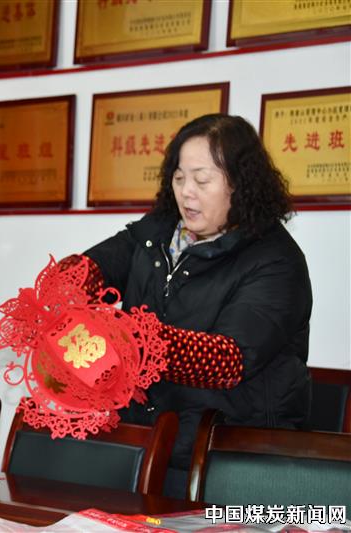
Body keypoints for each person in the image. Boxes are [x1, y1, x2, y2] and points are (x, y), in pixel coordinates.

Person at [65, 114, 312, 497]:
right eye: (179, 178)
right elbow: (94, 267)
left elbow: (228, 359)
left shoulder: (275, 261)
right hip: (148, 442)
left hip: (229, 459)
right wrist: (63, 289)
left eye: (202, 180)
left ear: (240, 183)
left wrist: (131, 340)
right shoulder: (159, 232)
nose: (186, 192)